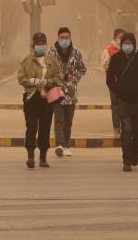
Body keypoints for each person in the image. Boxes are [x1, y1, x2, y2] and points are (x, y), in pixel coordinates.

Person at [106, 32, 138, 172]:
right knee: (126, 130)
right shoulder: (115, 59)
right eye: (125, 43)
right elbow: (109, 79)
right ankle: (126, 160)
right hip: (124, 101)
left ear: (134, 44)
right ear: (121, 45)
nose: (128, 46)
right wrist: (118, 91)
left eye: (130, 43)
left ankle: (134, 153)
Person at [17, 32, 62, 169]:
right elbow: (21, 78)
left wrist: (48, 82)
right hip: (31, 99)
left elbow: (58, 78)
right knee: (31, 127)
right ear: (34, 45)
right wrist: (33, 81)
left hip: (47, 100)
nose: (41, 46)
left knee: (45, 128)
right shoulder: (27, 61)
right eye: (38, 43)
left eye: (43, 43)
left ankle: (43, 157)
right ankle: (30, 156)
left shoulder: (52, 61)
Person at [49, 27, 87, 158]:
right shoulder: (51, 53)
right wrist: (63, 76)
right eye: (62, 37)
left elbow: (82, 69)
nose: (64, 40)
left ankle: (66, 146)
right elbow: (47, 71)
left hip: (71, 92)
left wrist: (74, 79)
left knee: (68, 121)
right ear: (58, 38)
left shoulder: (76, 53)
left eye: (66, 37)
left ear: (70, 38)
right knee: (59, 119)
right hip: (56, 90)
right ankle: (60, 144)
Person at [102, 28, 125, 138]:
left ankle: (125, 128)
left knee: (125, 105)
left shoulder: (127, 49)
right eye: (119, 37)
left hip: (126, 83)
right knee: (115, 105)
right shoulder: (108, 50)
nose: (121, 40)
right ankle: (116, 129)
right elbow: (105, 65)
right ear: (115, 37)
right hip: (114, 83)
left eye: (123, 38)